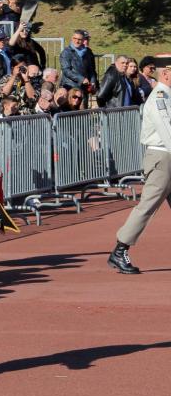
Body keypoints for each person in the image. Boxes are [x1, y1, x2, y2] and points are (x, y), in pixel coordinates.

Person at [108, 56, 171, 274]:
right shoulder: (160, 97)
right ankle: (119, 249)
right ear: (165, 73)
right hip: (163, 157)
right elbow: (167, 132)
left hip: (167, 156)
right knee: (147, 206)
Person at [59, 29, 97, 106]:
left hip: (84, 88)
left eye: (79, 39)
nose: (76, 41)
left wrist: (93, 81)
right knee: (70, 111)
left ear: (83, 40)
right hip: (70, 86)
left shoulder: (88, 52)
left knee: (83, 112)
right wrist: (81, 79)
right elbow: (66, 70)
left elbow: (92, 70)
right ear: (72, 38)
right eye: (75, 38)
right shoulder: (66, 52)